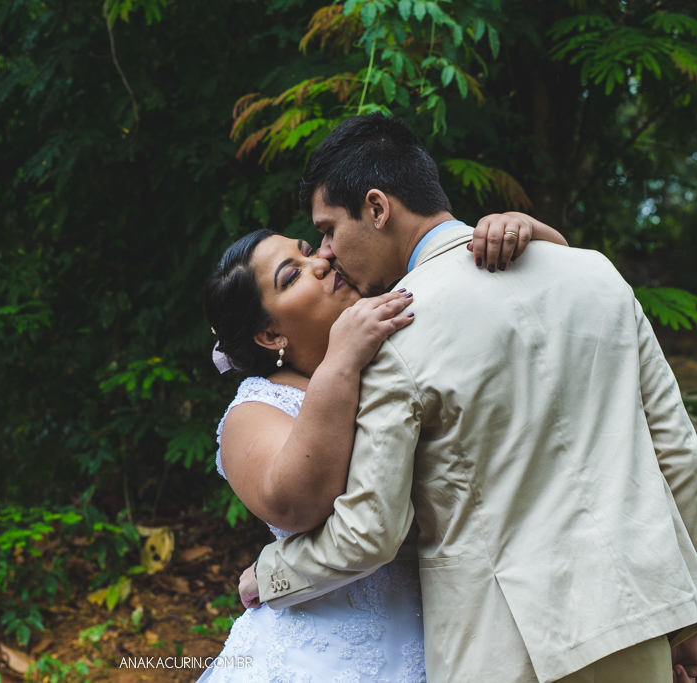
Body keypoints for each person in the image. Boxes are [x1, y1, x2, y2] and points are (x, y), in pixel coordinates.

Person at [234, 114, 697, 683]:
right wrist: (688, 620)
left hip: (509, 649)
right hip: (637, 622)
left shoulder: (395, 330)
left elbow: (370, 532)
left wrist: (273, 572)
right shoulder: (597, 275)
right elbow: (678, 457)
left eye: (328, 229)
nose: (328, 253)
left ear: (377, 209)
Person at [199, 208, 567, 682]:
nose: (321, 262)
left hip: (457, 636)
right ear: (270, 335)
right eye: (292, 276)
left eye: (309, 251)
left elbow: (542, 310)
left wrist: (529, 232)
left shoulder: (397, 339)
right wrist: (341, 360)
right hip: (322, 655)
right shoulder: (255, 409)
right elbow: (296, 504)